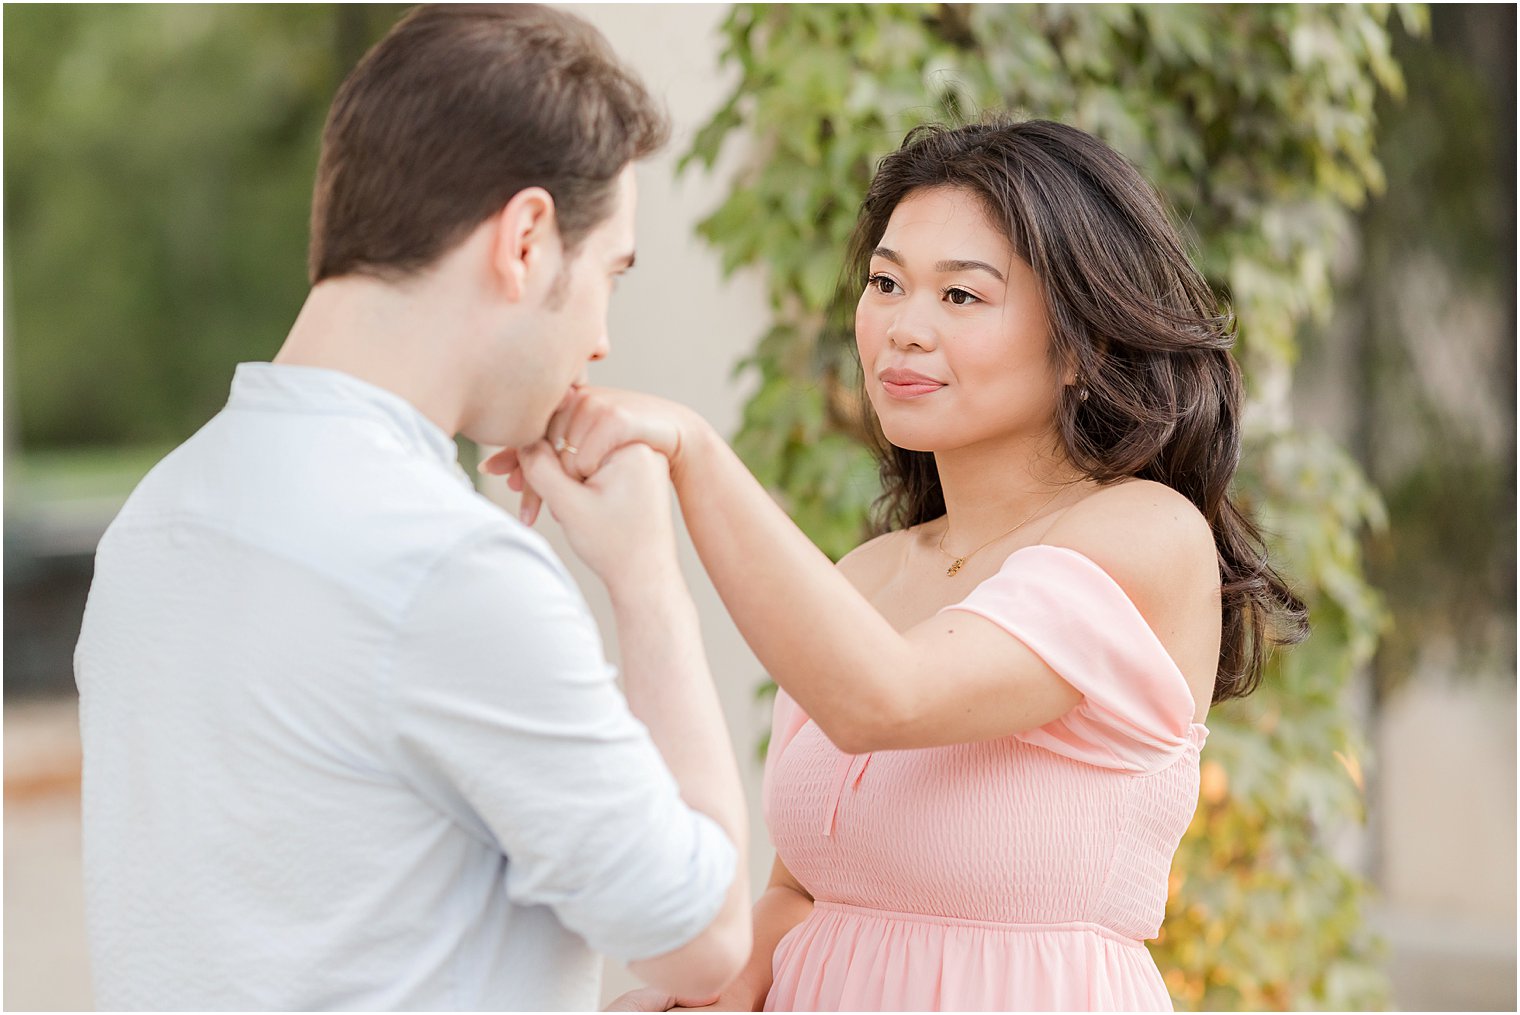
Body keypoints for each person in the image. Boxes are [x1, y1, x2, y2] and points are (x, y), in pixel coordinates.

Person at [499, 117, 1308, 1011]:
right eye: (886, 283)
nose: (903, 329)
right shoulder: (869, 573)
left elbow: (887, 697)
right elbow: (803, 889)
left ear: (1081, 345)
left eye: (961, 296)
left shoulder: (1144, 534)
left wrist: (693, 450)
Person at [73, 5, 750, 1010]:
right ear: (524, 238)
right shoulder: (443, 570)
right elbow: (700, 940)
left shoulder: (158, 516)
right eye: (608, 273)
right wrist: (649, 584)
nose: (601, 339)